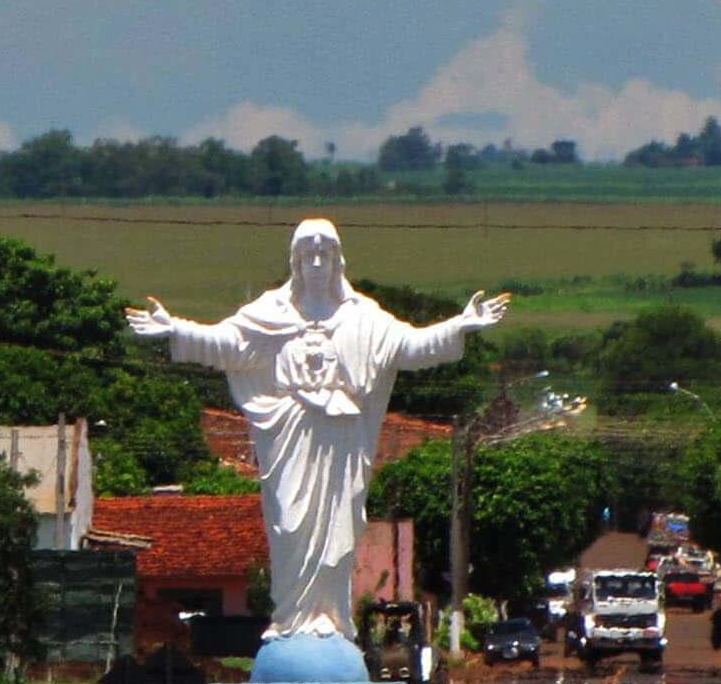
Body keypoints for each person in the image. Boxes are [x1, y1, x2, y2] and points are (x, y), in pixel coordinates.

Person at [128, 218, 508, 640]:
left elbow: (410, 346)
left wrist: (460, 325)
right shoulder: (271, 314)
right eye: (307, 254)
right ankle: (290, 619)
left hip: (340, 434)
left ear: (336, 261)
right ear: (295, 261)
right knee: (290, 525)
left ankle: (330, 615)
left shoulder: (362, 318)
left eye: (323, 254)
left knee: (337, 528)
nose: (315, 263)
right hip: (291, 433)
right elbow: (227, 344)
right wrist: (175, 328)